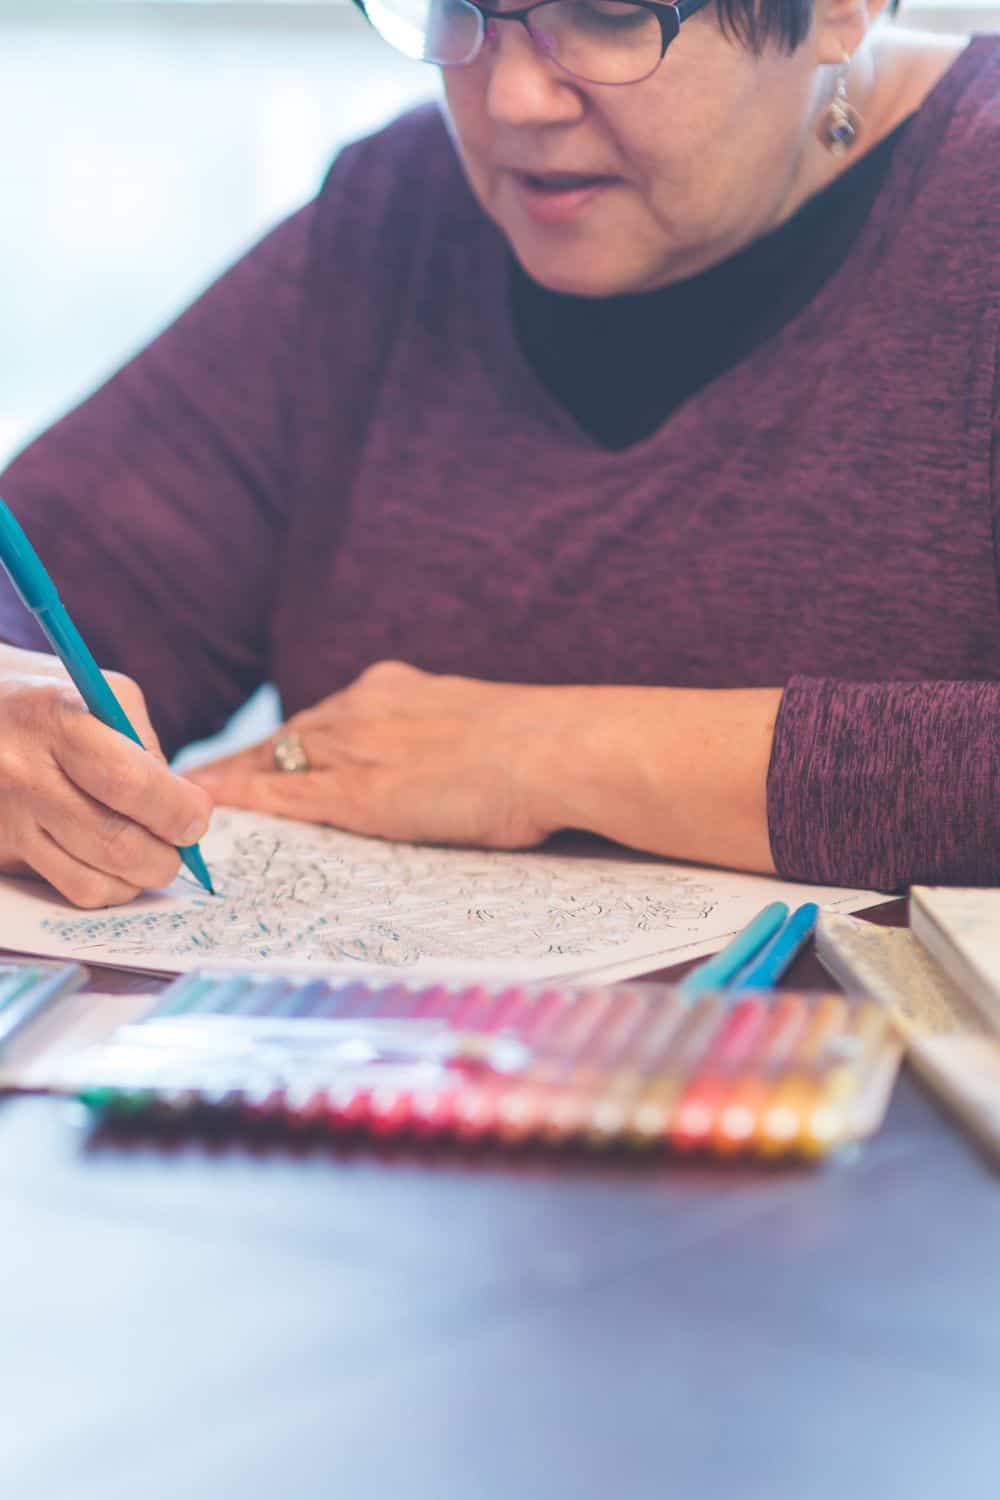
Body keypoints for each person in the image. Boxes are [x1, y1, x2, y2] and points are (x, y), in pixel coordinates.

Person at [0, 0, 997, 911]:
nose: (512, 99)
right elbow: (49, 573)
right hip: (371, 1074)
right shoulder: (396, 219)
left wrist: (545, 755)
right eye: (459, 9)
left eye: (608, 18)